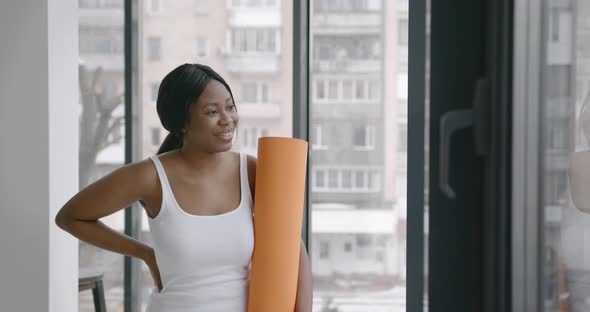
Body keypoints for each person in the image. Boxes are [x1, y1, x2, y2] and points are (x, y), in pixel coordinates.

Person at [55, 63, 313, 311]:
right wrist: (145, 253)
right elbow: (70, 217)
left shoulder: (252, 172)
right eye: (212, 112)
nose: (227, 120)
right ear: (182, 122)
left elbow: (292, 249)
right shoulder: (151, 176)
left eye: (230, 107)